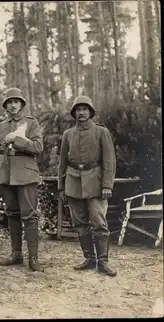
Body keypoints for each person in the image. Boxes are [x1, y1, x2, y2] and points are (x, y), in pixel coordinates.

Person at [58, 95, 117, 277]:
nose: (81, 113)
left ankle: (103, 262)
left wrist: (107, 185)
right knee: (80, 223)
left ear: (90, 112)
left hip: (96, 183)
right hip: (73, 182)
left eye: (85, 109)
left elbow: (109, 161)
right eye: (78, 109)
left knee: (99, 222)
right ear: (74, 113)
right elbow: (63, 162)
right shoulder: (68, 134)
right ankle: (89, 258)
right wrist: (61, 186)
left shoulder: (101, 132)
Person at [0, 87, 44, 272]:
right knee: (12, 214)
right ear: (5, 106)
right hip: (5, 175)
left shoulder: (31, 123)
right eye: (9, 102)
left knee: (29, 215)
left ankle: (33, 258)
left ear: (21, 104)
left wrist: (17, 140)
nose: (13, 105)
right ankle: (16, 254)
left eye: (16, 102)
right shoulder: (0, 126)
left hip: (26, 174)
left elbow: (38, 147)